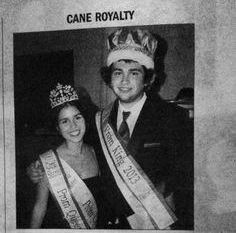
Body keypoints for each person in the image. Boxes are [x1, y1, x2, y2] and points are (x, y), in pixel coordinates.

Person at [28, 28, 193, 230]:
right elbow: (72, 144)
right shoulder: (99, 120)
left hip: (159, 221)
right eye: (118, 72)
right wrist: (36, 168)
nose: (124, 81)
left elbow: (186, 174)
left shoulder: (173, 117)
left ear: (148, 78)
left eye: (134, 73)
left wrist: (163, 194)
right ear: (109, 77)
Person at [29, 83, 103, 229]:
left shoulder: (97, 153)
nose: (73, 126)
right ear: (57, 127)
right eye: (64, 121)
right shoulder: (48, 162)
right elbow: (39, 207)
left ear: (85, 119)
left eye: (77, 117)